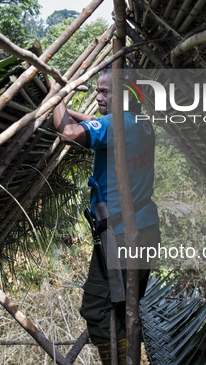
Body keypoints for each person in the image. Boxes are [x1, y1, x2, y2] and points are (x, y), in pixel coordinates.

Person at [53, 66, 160, 364]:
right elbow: (103, 125)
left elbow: (68, 133)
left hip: (121, 236)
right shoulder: (140, 122)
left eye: (104, 91)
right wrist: (75, 112)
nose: (97, 96)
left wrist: (56, 96)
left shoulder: (118, 124)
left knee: (97, 310)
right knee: (126, 310)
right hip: (145, 229)